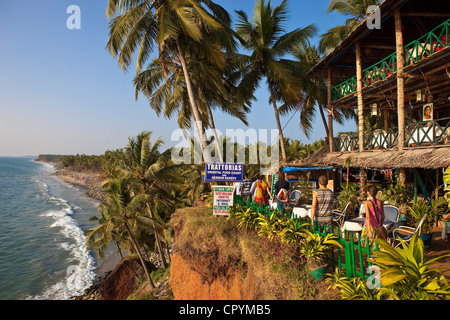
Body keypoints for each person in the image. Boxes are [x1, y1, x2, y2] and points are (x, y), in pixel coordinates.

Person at [361, 185, 385, 250]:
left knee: (366, 248)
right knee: (377, 247)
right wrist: (380, 224)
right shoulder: (380, 202)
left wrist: (369, 230)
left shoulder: (367, 202)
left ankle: (368, 260)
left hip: (369, 226)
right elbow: (382, 216)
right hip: (377, 227)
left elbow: (368, 217)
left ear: (368, 192)